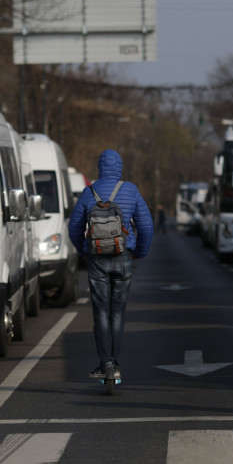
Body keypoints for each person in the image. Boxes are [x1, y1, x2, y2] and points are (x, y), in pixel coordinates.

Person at [68, 149, 153, 380]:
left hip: (97, 259)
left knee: (101, 313)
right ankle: (115, 364)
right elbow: (146, 226)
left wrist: (84, 250)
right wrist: (140, 252)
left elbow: (74, 227)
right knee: (118, 312)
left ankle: (104, 361)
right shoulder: (131, 190)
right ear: (119, 167)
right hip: (123, 256)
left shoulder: (89, 192)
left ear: (100, 167)